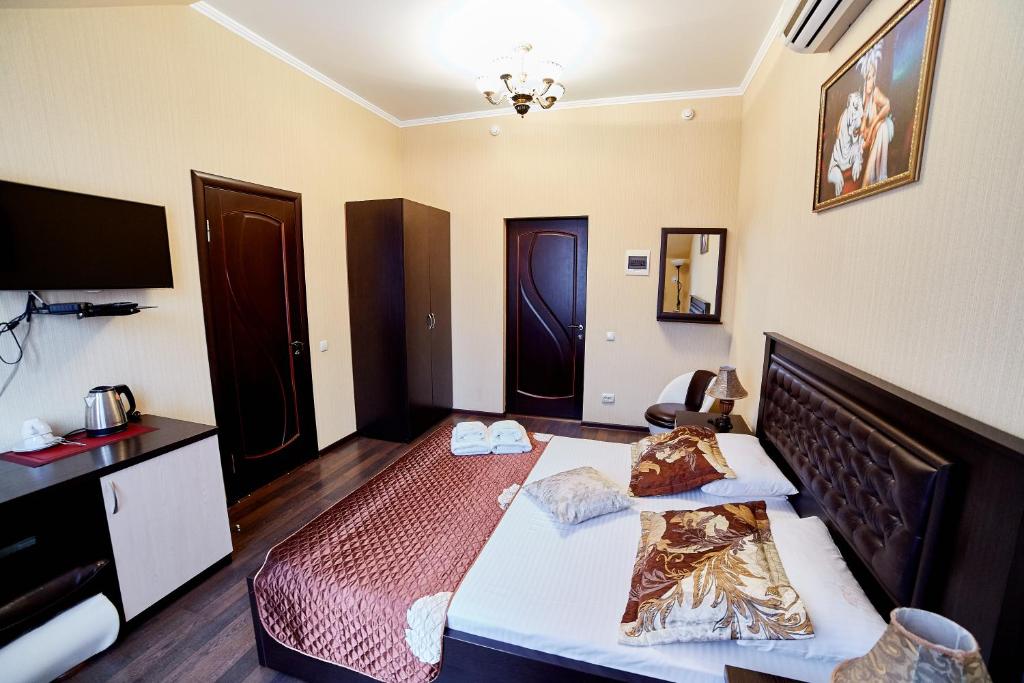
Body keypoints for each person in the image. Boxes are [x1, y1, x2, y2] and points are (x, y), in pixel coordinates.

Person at [858, 42, 894, 187]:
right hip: (872, 138)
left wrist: (874, 124)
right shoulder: (863, 102)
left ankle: (876, 179)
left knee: (882, 126)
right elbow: (864, 134)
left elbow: (887, 105)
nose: (871, 81)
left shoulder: (876, 93)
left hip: (882, 129)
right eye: (868, 77)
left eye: (873, 77)